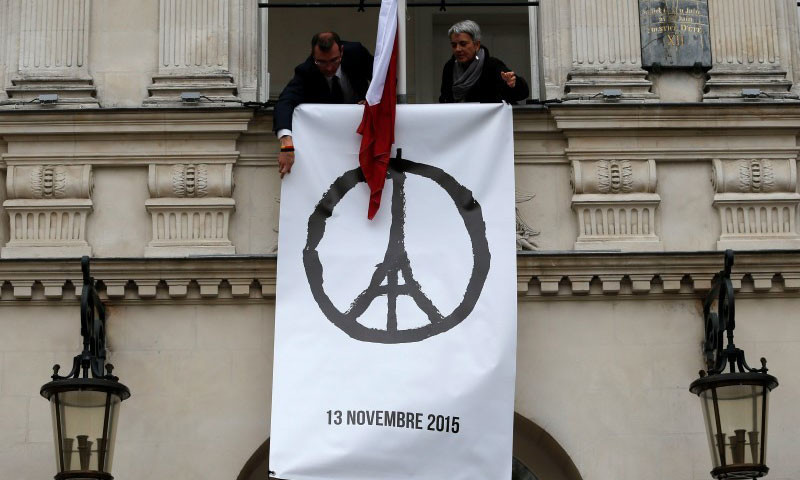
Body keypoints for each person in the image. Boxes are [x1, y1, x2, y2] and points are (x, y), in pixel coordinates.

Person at [274, 32, 374, 178]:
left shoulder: (356, 53)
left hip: (363, 135)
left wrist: (374, 101)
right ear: (313, 56)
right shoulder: (306, 70)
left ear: (342, 51)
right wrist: (286, 144)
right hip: (328, 140)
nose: (328, 68)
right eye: (321, 62)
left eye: (334, 60)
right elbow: (285, 102)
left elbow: (385, 78)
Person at [439, 20, 529, 104]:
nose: (458, 49)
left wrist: (513, 84)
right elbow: (445, 98)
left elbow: (522, 93)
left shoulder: (492, 66)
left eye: (463, 44)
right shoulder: (449, 67)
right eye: (454, 45)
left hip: (487, 120)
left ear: (477, 45)